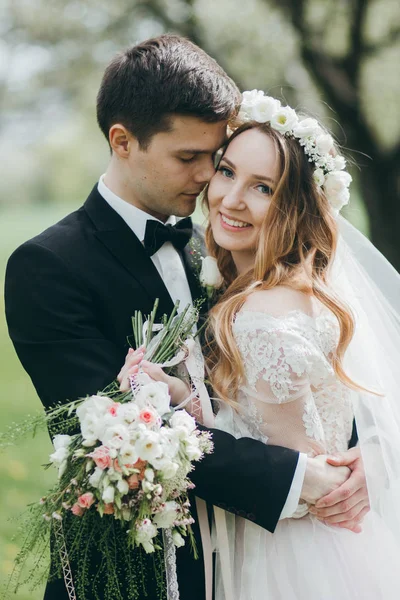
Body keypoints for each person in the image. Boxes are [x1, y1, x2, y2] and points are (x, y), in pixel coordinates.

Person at [5, 37, 367, 600]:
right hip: (134, 570)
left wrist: (360, 457)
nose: (208, 181)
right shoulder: (48, 267)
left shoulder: (216, 247)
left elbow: (296, 373)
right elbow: (117, 432)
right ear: (122, 141)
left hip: (251, 558)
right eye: (188, 158)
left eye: (214, 158)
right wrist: (299, 479)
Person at [139, 91, 400, 599]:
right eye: (227, 172)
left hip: (291, 558)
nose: (231, 199)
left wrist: (176, 406)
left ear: (296, 207)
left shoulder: (259, 317)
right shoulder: (305, 292)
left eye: (263, 187)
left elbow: (298, 476)